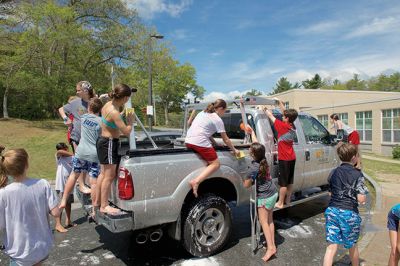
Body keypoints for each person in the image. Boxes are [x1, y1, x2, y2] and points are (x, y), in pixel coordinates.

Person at [0, 148, 61, 265]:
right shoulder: (43, 183)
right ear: (26, 164)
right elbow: (56, 213)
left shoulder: (3, 193)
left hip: (19, 252)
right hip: (42, 247)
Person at [323, 143, 368, 266]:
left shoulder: (333, 172)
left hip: (332, 211)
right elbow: (361, 199)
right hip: (349, 213)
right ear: (354, 157)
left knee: (331, 247)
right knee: (352, 245)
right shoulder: (358, 174)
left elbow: (330, 194)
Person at [185, 99, 240, 198]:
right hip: (199, 142)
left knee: (207, 160)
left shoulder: (203, 113)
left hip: (188, 141)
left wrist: (214, 143)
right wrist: (234, 150)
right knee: (215, 164)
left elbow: (206, 132)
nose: (224, 113)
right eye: (224, 110)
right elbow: (226, 139)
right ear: (220, 109)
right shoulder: (217, 119)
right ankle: (196, 181)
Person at [95, 84, 136, 215]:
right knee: (109, 176)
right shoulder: (114, 112)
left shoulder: (108, 105)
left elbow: (112, 121)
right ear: (124, 98)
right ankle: (104, 206)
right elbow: (127, 132)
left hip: (103, 141)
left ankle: (97, 202)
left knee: (103, 174)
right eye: (127, 98)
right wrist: (130, 121)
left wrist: (122, 113)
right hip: (109, 143)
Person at [59, 98, 103, 218]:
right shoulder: (101, 121)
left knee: (74, 175)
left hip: (81, 152)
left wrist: (66, 118)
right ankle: (94, 210)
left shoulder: (83, 118)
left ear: (88, 108)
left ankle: (63, 200)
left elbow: (68, 113)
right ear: (100, 110)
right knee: (94, 183)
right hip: (93, 154)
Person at [243, 129, 278, 262]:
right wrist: (252, 132)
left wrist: (245, 176)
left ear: (252, 154)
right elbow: (257, 144)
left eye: (250, 150)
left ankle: (270, 248)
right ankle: (272, 245)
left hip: (264, 197)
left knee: (263, 222)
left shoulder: (254, 167)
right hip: (273, 193)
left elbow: (246, 185)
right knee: (269, 221)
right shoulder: (264, 158)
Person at [58, 81, 95, 194]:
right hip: (77, 136)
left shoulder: (95, 102)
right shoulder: (75, 103)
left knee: (89, 160)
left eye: (78, 90)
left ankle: (86, 183)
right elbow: (61, 109)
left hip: (90, 137)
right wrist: (66, 119)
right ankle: (82, 185)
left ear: (85, 90)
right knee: (80, 160)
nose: (76, 92)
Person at [263, 99, 298, 208]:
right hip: (292, 157)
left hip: (284, 159)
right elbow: (286, 113)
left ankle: (281, 202)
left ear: (287, 119)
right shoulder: (292, 126)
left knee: (283, 183)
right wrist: (280, 104)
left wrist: (263, 108)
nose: (282, 117)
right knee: (290, 181)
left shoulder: (282, 126)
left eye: (283, 117)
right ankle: (288, 201)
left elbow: (270, 116)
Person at [54, 142, 74, 233]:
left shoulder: (72, 158)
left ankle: (68, 220)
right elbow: (59, 152)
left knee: (68, 203)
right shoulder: (59, 157)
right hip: (61, 185)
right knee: (61, 204)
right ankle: (58, 224)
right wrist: (74, 154)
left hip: (68, 184)